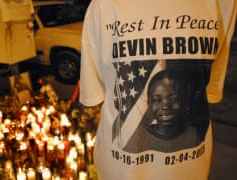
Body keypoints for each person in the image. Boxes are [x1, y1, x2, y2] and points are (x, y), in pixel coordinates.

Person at [79, 0, 236, 179]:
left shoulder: (224, 3)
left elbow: (210, 91)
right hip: (120, 171)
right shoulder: (103, 5)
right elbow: (94, 94)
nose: (165, 106)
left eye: (174, 98)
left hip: (191, 171)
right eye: (156, 99)